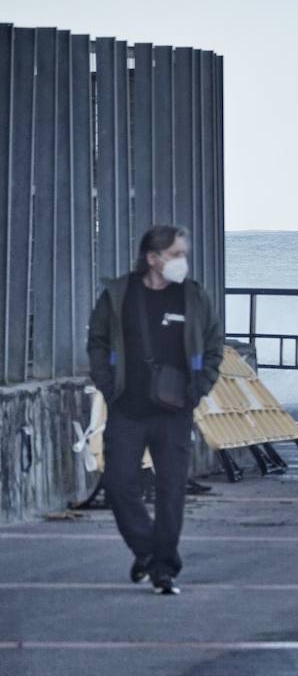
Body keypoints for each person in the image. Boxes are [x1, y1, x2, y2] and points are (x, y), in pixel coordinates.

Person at [86, 225, 224, 595]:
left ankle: (164, 569)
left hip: (175, 410)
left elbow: (214, 344)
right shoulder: (118, 295)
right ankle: (147, 550)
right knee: (118, 484)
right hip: (128, 408)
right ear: (152, 258)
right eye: (176, 254)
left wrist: (201, 387)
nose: (183, 261)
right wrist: (106, 381)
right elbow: (97, 341)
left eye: (184, 254)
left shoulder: (193, 297)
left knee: (171, 490)